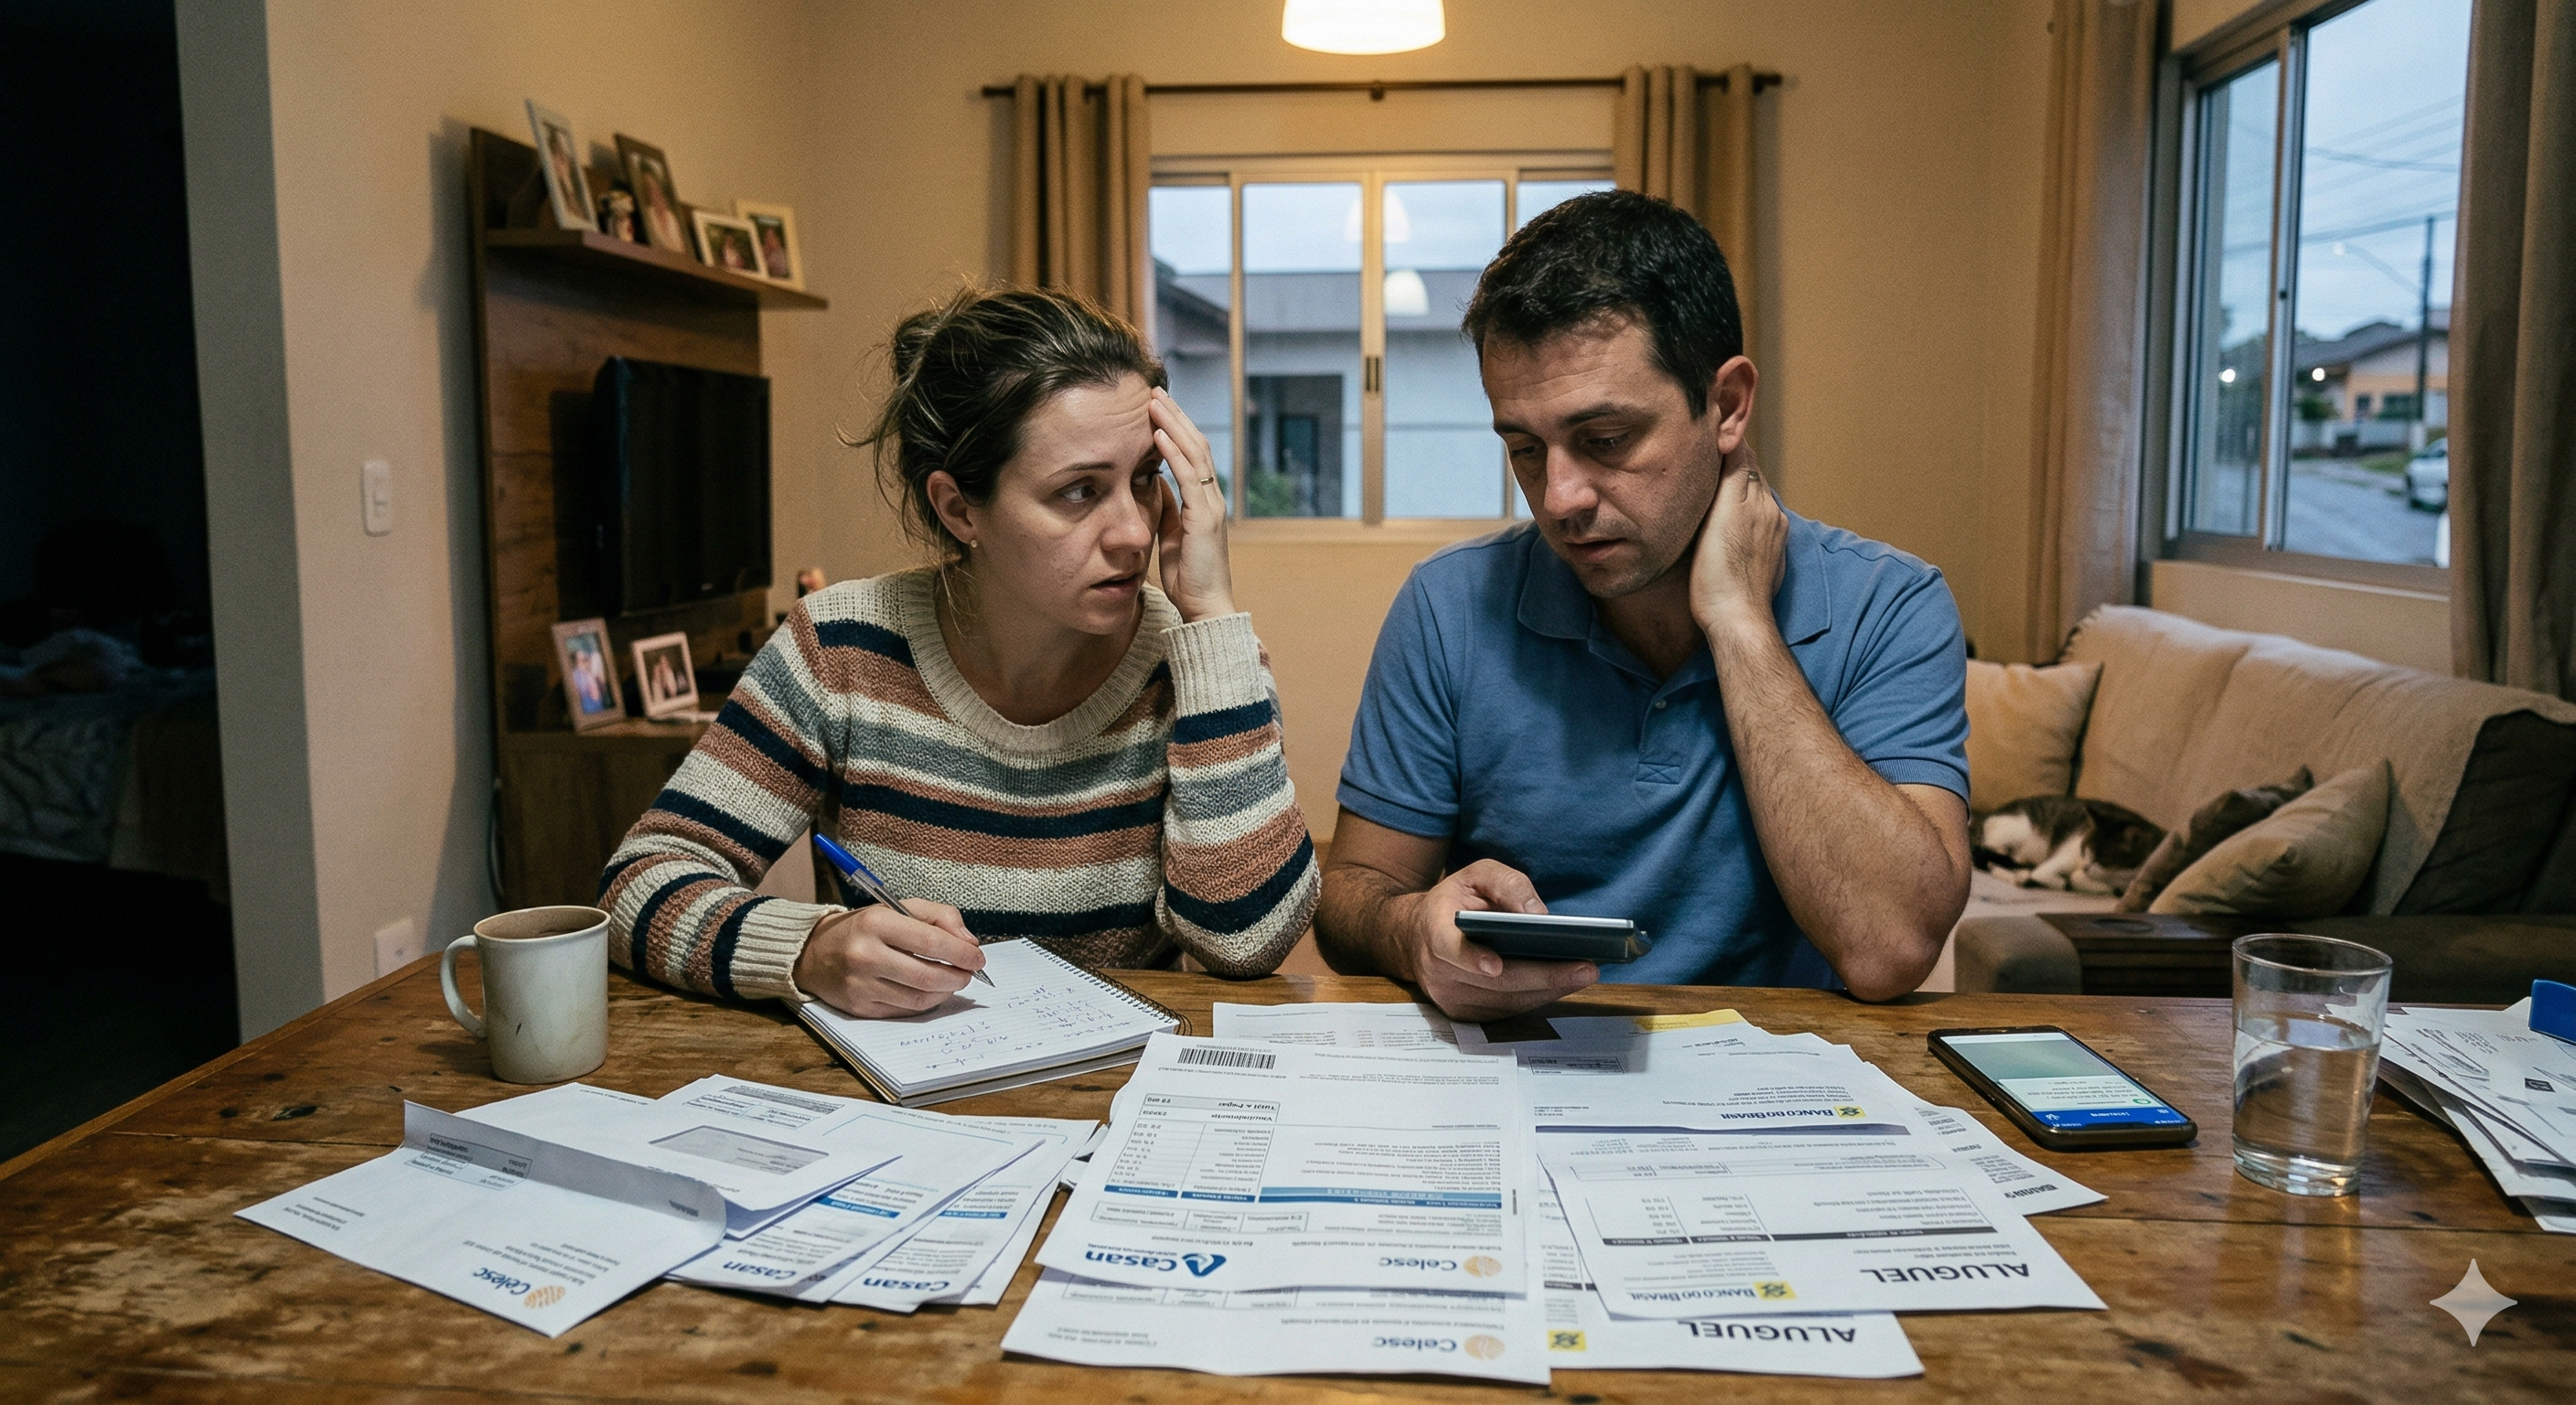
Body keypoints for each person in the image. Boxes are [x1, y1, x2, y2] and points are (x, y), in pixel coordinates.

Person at [1315, 191, 1971, 1020]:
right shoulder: (1450, 604)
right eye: (1524, 448)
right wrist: (1412, 929)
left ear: (1727, 405)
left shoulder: (1890, 602)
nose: (1558, 499)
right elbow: (1355, 895)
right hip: (1519, 1075)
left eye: (1608, 440)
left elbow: (1891, 949)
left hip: (1783, 1101)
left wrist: (1739, 622)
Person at [602, 286, 1318, 1017]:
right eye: (1079, 492)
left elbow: (1248, 942)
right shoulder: (843, 648)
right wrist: (808, 947)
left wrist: (1211, 613)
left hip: (1121, 1096)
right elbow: (638, 883)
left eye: (1144, 480)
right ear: (958, 507)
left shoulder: (1204, 663)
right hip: (898, 1102)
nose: (1135, 533)